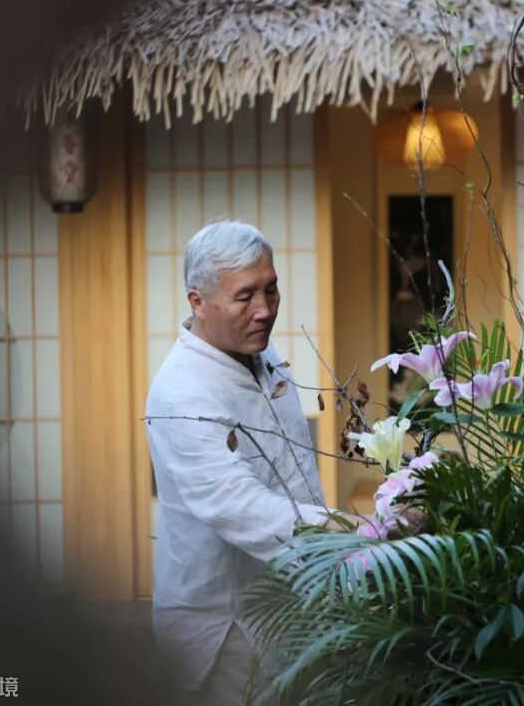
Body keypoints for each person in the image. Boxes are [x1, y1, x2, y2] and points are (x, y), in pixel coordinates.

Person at [144, 220, 362, 705]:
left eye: (271, 289)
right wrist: (352, 531)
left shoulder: (257, 351)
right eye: (244, 297)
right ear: (197, 301)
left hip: (290, 596)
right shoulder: (182, 393)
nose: (264, 310)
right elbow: (238, 505)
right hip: (227, 623)